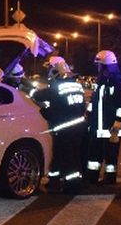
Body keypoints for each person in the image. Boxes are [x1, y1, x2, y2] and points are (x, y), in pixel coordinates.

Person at [31, 56, 87, 192]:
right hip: (79, 127)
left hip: (65, 128)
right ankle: (56, 181)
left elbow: (39, 96)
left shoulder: (57, 87)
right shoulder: (77, 86)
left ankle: (70, 186)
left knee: (66, 157)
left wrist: (30, 90)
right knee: (72, 156)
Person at [86, 50, 121, 184]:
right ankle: (92, 177)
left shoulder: (117, 82)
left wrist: (118, 122)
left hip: (112, 127)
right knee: (94, 154)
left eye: (99, 65)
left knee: (111, 156)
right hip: (97, 126)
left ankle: (110, 179)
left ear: (106, 66)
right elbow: (94, 101)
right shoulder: (100, 81)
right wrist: (88, 115)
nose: (97, 67)